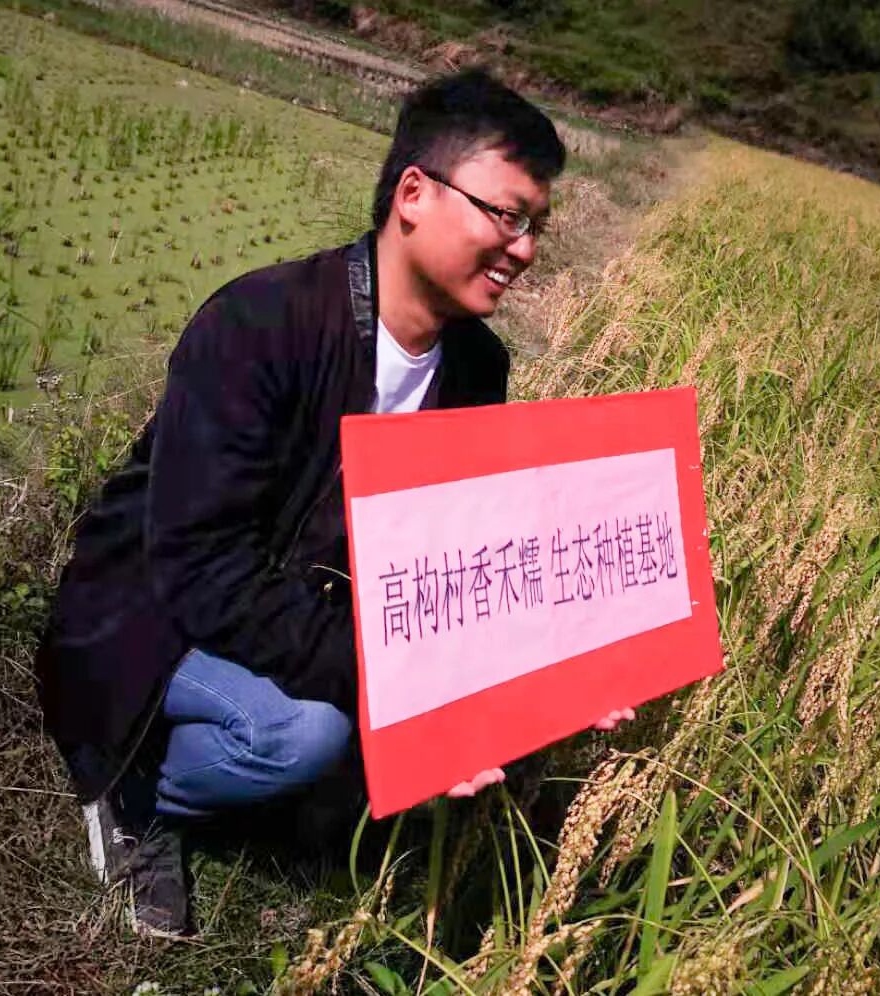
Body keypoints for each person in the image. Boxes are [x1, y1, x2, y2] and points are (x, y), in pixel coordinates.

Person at [36, 67, 632, 938]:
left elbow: (455, 556)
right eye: (506, 215)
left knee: (352, 750)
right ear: (414, 194)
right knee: (302, 736)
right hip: (150, 610)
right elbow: (201, 570)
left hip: (299, 609)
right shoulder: (261, 323)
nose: (525, 249)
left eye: (536, 225)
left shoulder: (478, 368)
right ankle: (136, 795)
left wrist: (556, 671)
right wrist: (396, 680)